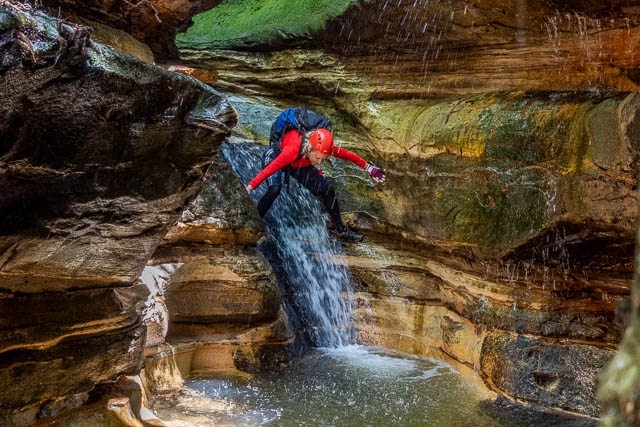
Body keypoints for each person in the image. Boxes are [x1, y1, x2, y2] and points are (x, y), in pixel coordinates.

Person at [246, 123, 385, 242]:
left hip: (299, 163)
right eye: (318, 158)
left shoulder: (322, 149)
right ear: (309, 148)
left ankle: (340, 230)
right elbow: (268, 171)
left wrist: (369, 168)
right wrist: (250, 188)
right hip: (275, 156)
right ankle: (252, 227)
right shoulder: (292, 150)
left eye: (323, 159)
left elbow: (348, 155)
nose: (319, 162)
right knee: (274, 190)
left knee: (327, 189)